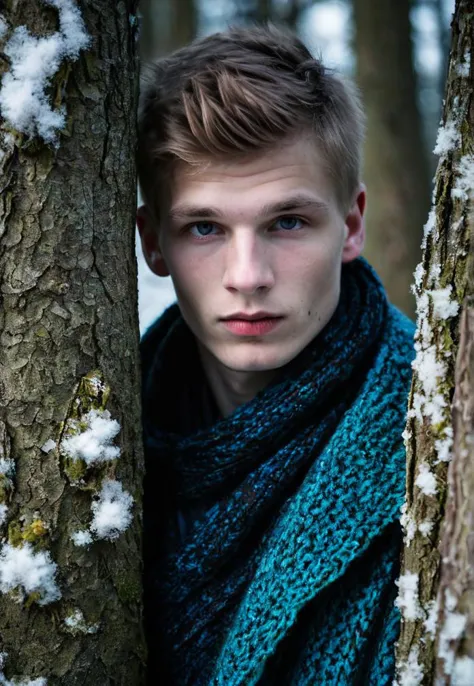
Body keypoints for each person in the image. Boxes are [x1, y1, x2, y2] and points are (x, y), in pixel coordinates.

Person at [136, 24, 415, 686]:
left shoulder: (435, 429)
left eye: (287, 223)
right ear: (153, 243)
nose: (248, 275)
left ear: (350, 226)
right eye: (204, 228)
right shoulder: (100, 448)